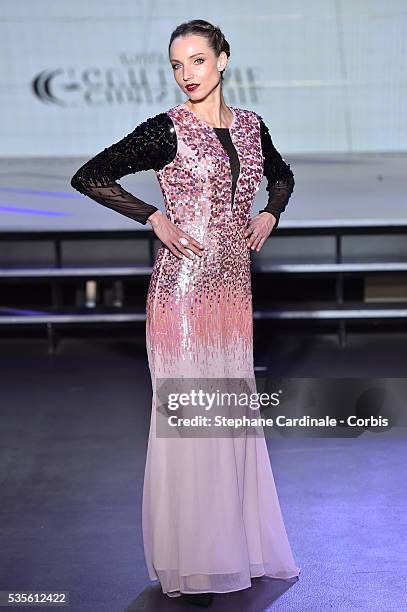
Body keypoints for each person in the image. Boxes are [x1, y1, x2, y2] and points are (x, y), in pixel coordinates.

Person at [70, 18, 300, 608]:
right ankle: (196, 561)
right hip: (183, 295)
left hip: (233, 292)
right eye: (177, 65)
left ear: (223, 60)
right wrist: (153, 216)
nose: (187, 75)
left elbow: (281, 175)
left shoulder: (251, 126)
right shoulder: (163, 131)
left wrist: (269, 214)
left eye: (197, 61)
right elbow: (90, 175)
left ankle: (234, 547)